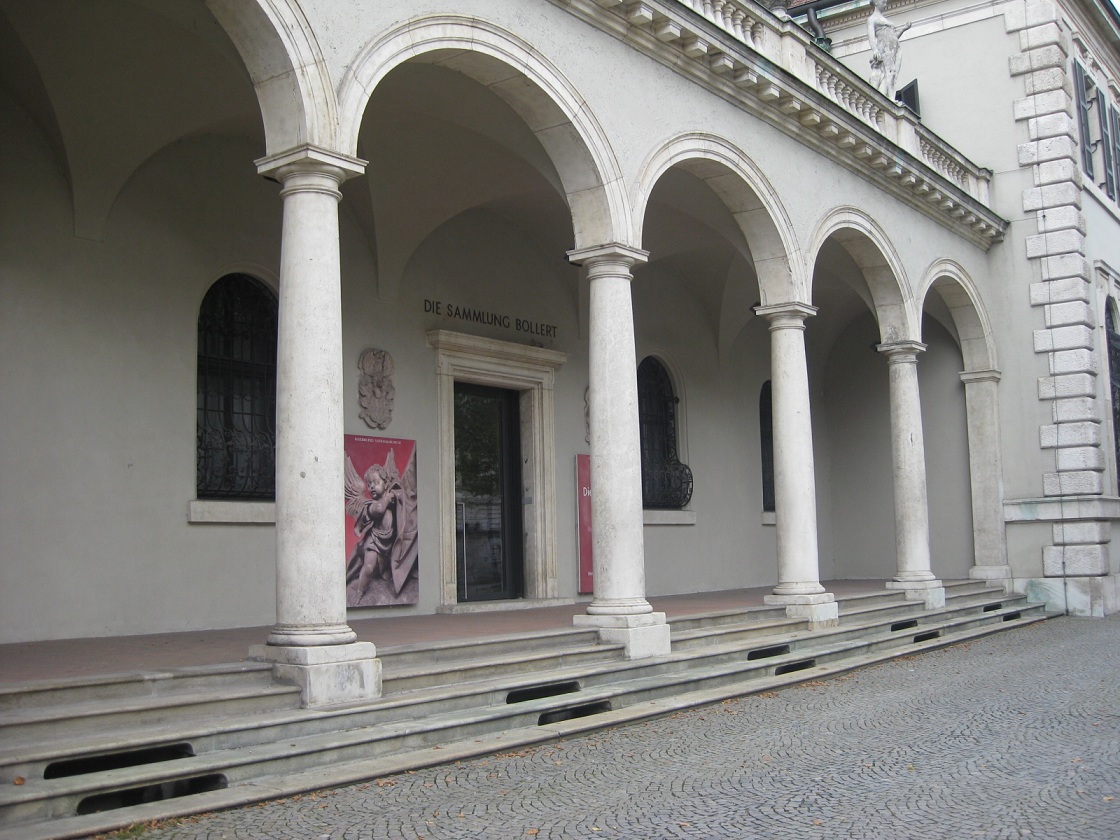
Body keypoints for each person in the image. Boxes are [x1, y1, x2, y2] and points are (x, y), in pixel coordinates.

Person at [868, 0, 911, 99]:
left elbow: (894, 38)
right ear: (876, 3)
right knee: (889, 72)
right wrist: (875, 50)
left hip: (894, 50)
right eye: (883, 2)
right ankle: (889, 98)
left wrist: (903, 29)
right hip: (884, 49)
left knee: (892, 74)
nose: (886, 4)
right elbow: (871, 36)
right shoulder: (872, 19)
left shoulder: (884, 19)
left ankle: (887, 96)